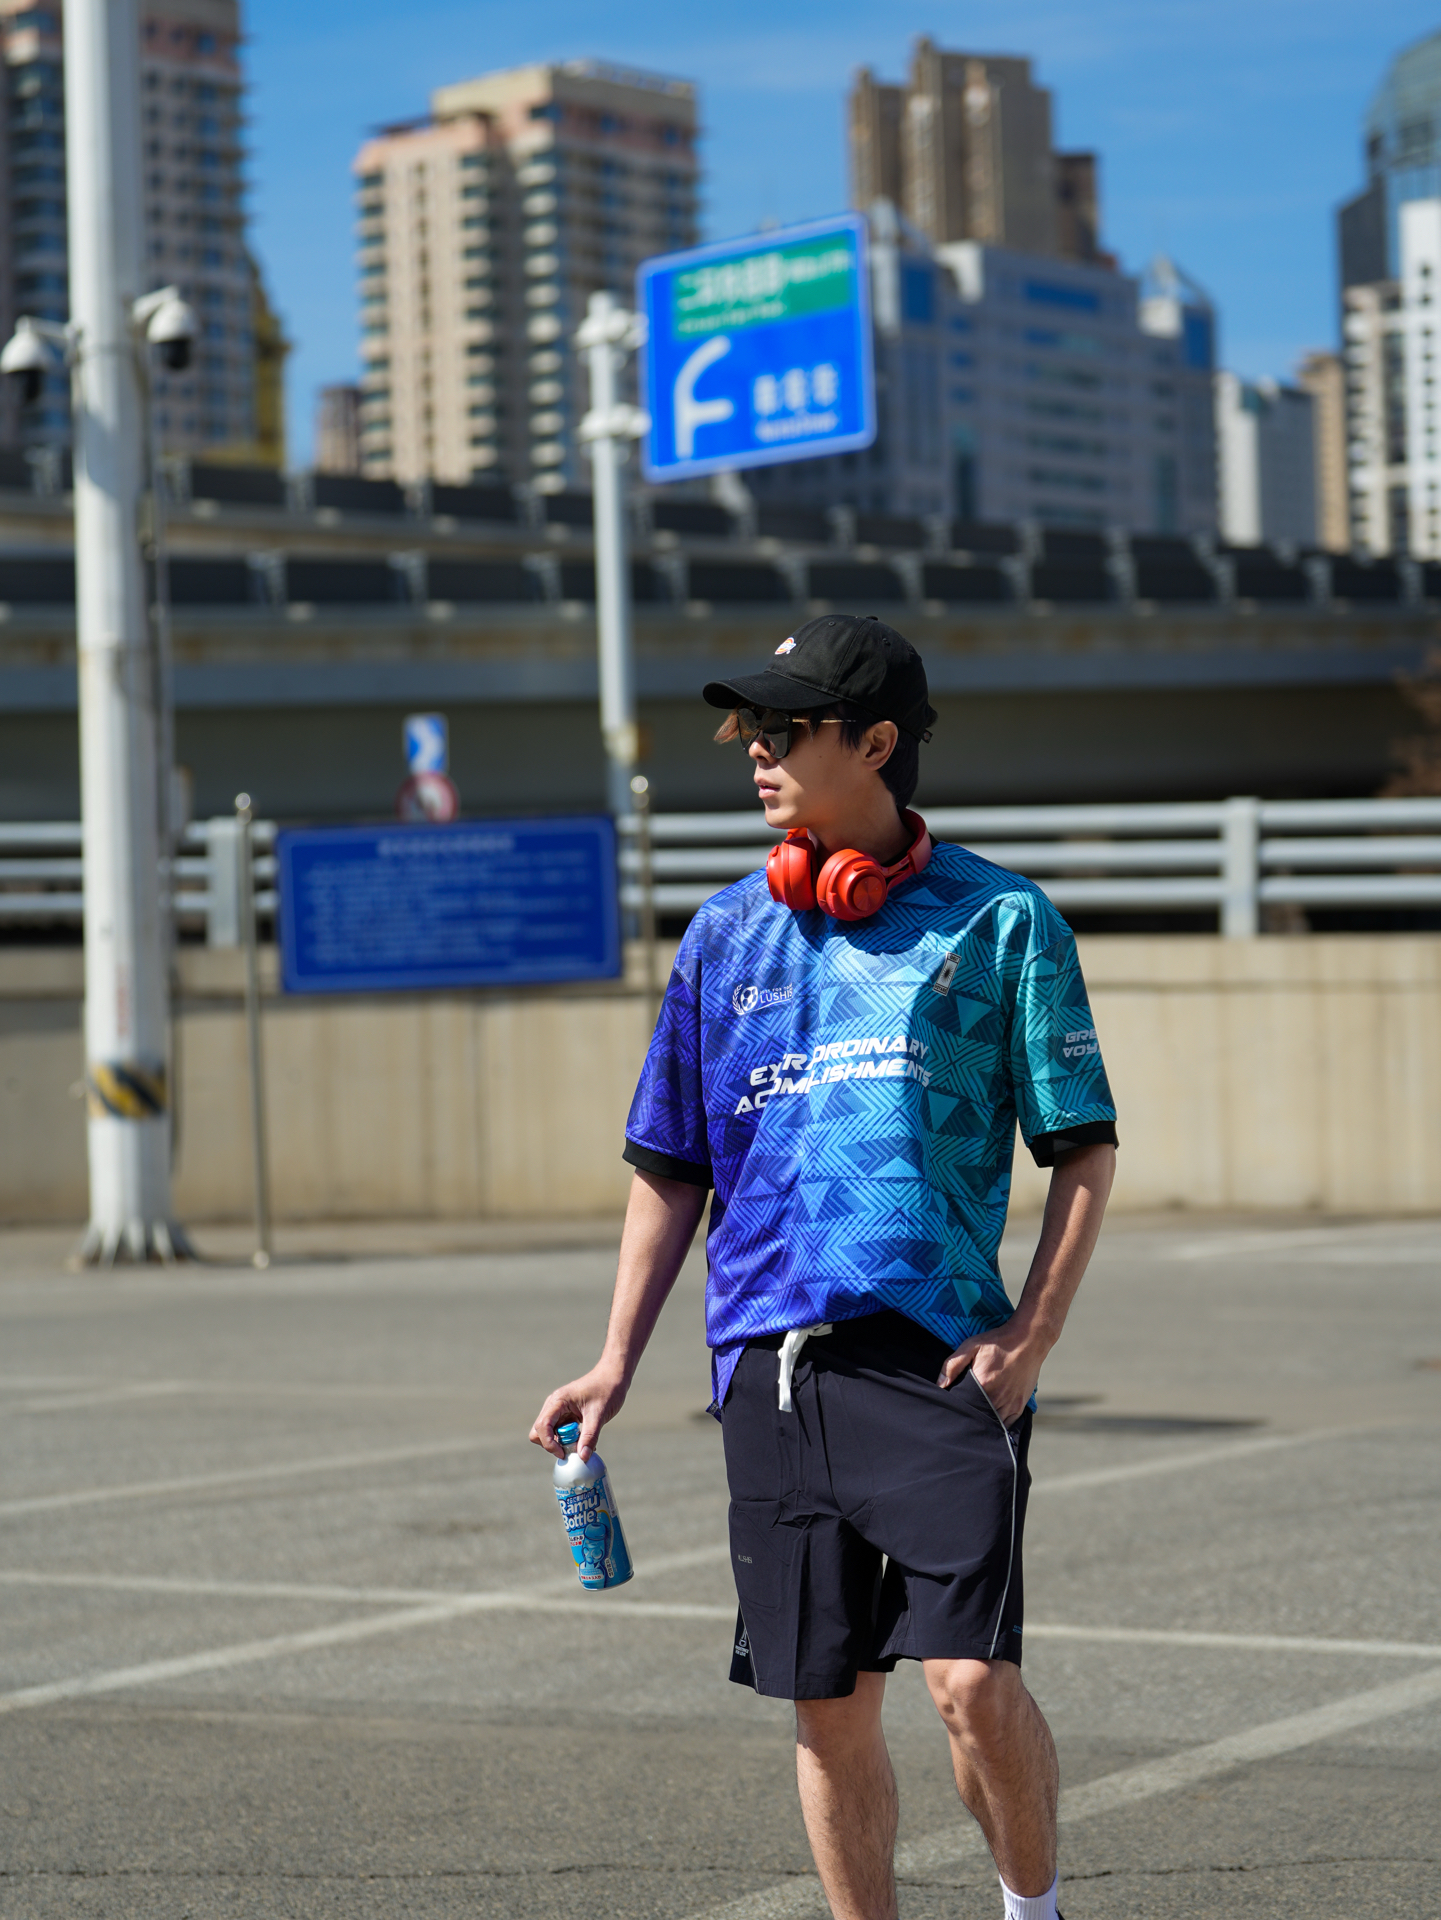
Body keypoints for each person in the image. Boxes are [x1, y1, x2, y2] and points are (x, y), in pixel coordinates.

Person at [531, 613, 1117, 1920]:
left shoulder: (1002, 922)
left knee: (969, 1685)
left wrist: (1030, 1337)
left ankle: (1032, 1911)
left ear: (878, 743)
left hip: (938, 1361)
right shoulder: (723, 936)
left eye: (786, 728)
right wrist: (615, 1359)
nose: (755, 751)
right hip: (768, 1371)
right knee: (827, 1710)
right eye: (751, 728)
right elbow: (669, 1168)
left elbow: (1082, 1149)